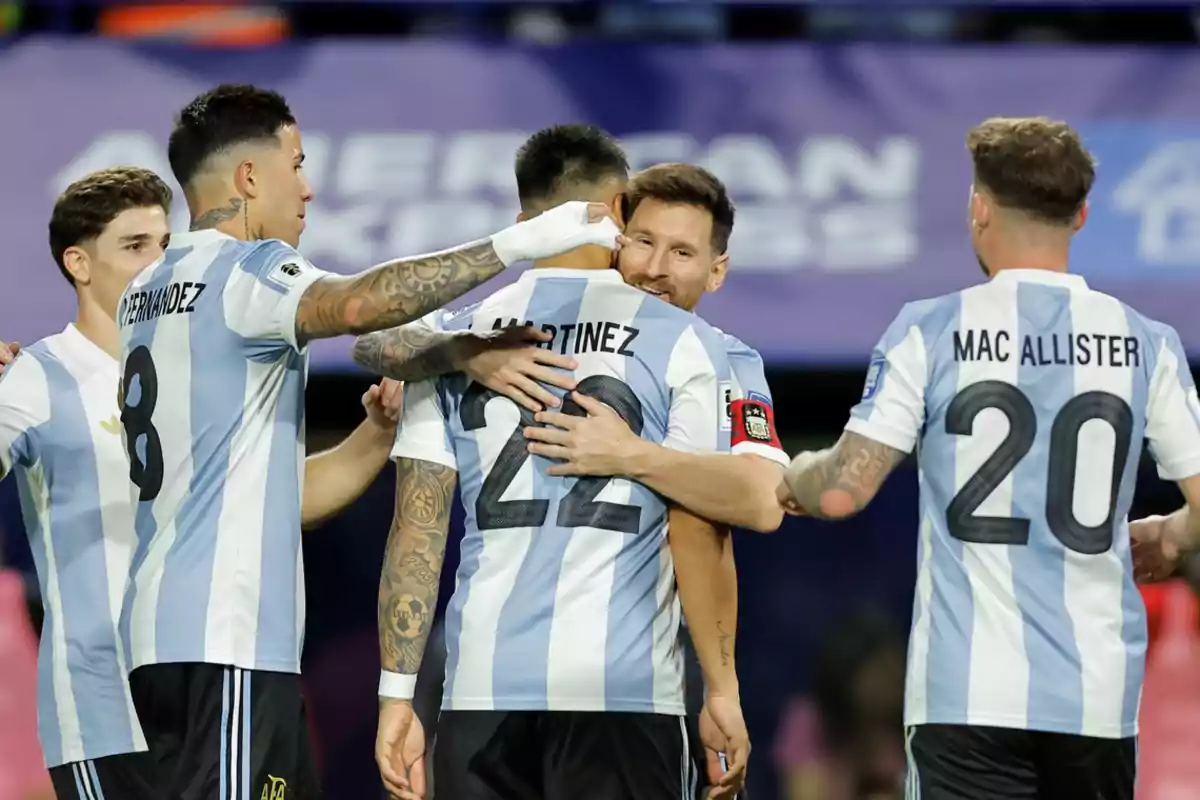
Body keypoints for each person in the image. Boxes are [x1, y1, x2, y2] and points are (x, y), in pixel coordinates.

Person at [114, 85, 620, 800]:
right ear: (249, 178)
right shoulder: (244, 271)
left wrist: (379, 429)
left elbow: (280, 498)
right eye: (296, 163)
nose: (309, 188)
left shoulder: (148, 292)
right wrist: (522, 244)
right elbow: (358, 307)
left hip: (173, 640)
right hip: (221, 643)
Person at [776, 116, 1200, 800]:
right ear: (1082, 215)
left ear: (978, 209)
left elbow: (842, 492)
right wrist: (1175, 533)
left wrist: (794, 474)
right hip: (1095, 700)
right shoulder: (1145, 341)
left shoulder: (931, 328)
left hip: (966, 698)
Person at [0, 167, 403, 800]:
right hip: (106, 709)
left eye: (165, 243)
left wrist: (374, 436)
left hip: (218, 676)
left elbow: (280, 501)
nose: (156, 262)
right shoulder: (36, 378)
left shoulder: (204, 364)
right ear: (78, 263)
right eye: (135, 247)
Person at [371, 124, 747, 800]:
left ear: (523, 222)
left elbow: (416, 531)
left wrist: (398, 697)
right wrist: (721, 688)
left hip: (481, 690)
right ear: (621, 217)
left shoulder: (451, 342)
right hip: (627, 692)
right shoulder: (693, 342)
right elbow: (698, 526)